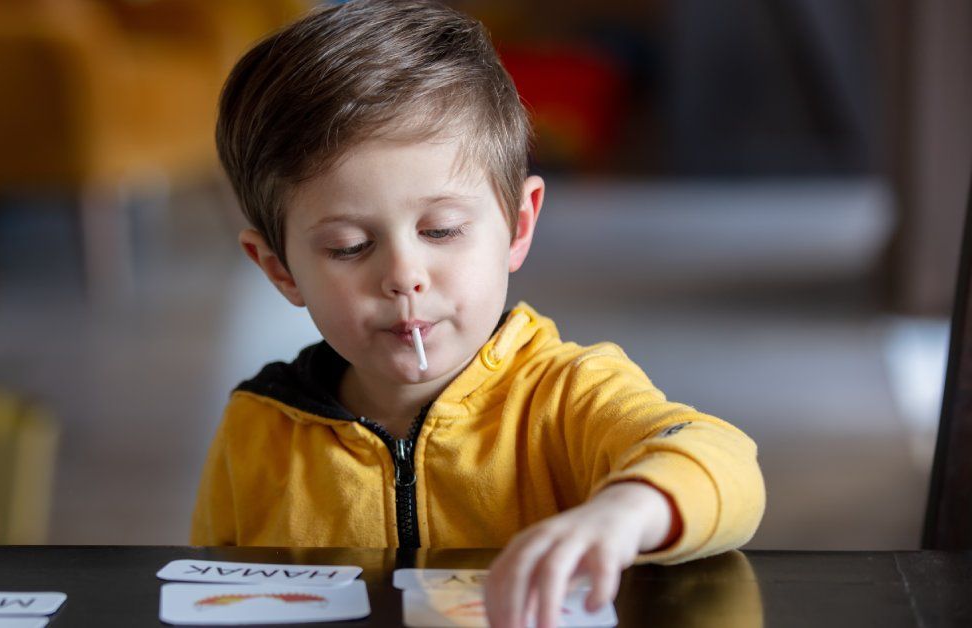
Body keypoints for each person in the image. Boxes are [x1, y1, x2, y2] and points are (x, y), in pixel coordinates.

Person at [191, 2, 765, 626]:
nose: (403, 275)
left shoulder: (568, 396)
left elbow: (722, 462)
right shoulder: (257, 429)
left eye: (441, 230)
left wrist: (626, 510)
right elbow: (207, 592)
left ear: (517, 226)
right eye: (349, 246)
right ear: (279, 267)